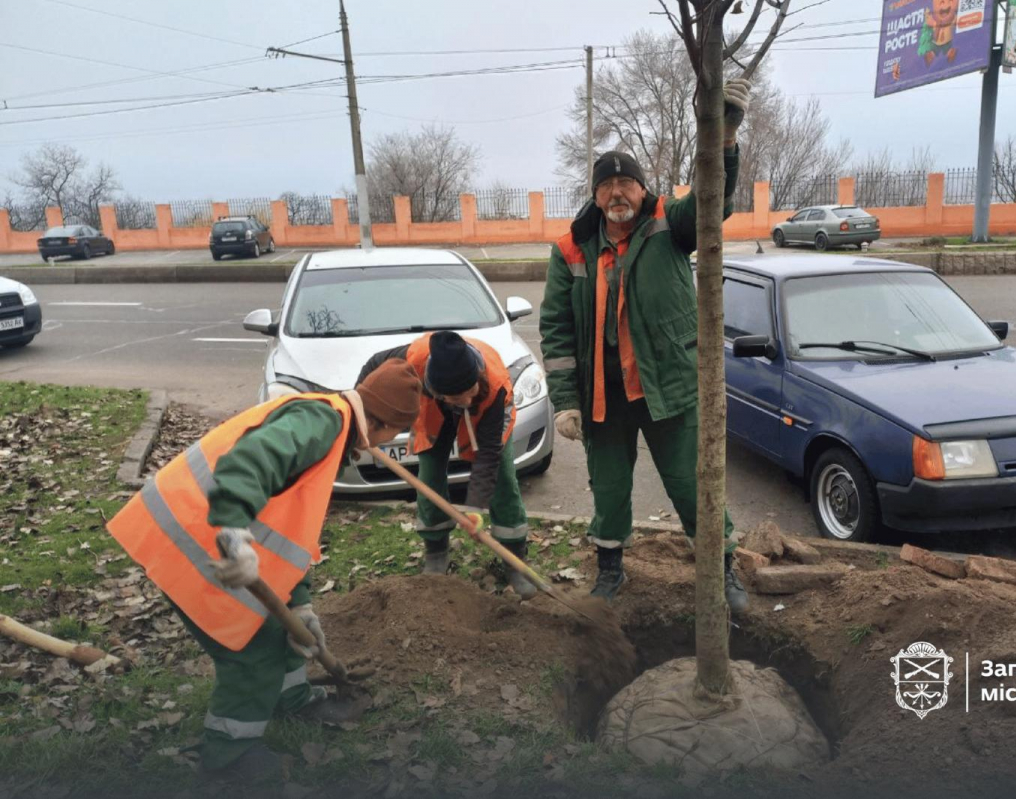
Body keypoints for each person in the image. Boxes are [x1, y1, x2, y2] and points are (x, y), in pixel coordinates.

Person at [106, 359, 422, 780]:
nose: (382, 444)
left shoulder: (332, 423)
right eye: (392, 434)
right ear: (383, 425)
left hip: (202, 529)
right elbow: (247, 462)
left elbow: (292, 531)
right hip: (196, 533)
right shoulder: (322, 422)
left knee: (281, 631)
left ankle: (292, 700)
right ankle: (228, 754)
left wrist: (303, 606)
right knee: (250, 653)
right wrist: (234, 530)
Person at [538, 78, 753, 613]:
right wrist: (565, 399)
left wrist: (722, 135)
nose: (617, 195)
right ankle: (610, 570)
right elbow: (557, 329)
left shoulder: (669, 224)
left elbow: (713, 199)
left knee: (690, 487)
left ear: (642, 188)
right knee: (609, 493)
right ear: (595, 195)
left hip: (670, 389)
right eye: (607, 187)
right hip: (603, 399)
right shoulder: (569, 250)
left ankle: (720, 570)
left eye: (626, 185)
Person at [357, 331, 534, 598]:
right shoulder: (411, 360)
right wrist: (360, 416)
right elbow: (372, 368)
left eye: (468, 392)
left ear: (476, 378)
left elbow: (487, 458)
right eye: (455, 397)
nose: (464, 400)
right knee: (429, 477)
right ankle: (436, 551)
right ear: (437, 390)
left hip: (486, 413)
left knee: (503, 479)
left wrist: (473, 508)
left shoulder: (494, 384)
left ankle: (513, 559)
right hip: (432, 413)